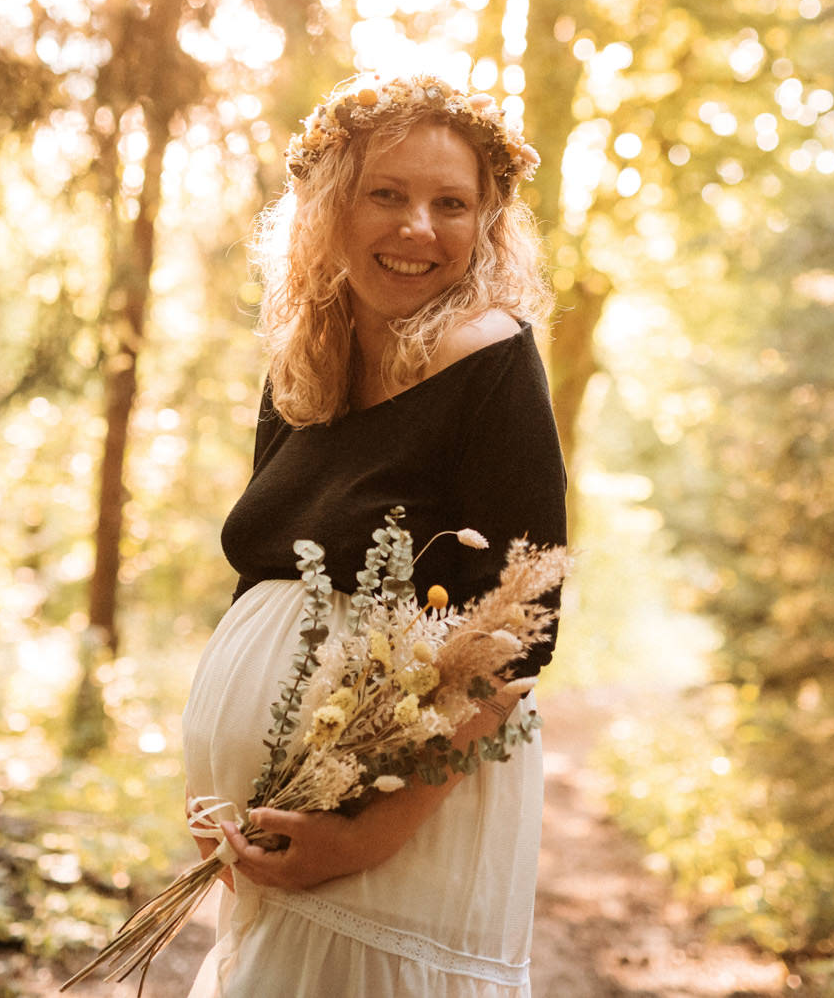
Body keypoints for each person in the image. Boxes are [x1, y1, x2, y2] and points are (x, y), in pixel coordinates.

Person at [180, 71, 568, 997]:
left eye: (452, 203)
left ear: (487, 224)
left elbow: (524, 630)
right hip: (283, 811)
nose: (419, 228)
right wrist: (229, 789)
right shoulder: (303, 365)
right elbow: (262, 582)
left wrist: (366, 832)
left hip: (412, 814)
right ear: (330, 207)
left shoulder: (492, 356)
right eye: (386, 194)